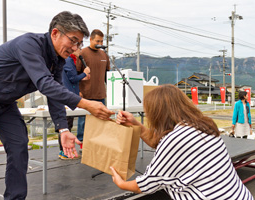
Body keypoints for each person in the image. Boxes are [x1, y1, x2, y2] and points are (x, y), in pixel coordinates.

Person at [0, 11, 114, 200]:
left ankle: (15, 198)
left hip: (4, 103)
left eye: (79, 43)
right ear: (55, 33)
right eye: (73, 40)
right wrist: (86, 104)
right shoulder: (29, 44)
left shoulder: (58, 60)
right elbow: (44, 83)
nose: (75, 47)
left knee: (19, 146)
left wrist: (63, 129)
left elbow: (54, 92)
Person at [110, 84, 253, 200]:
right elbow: (158, 142)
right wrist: (136, 124)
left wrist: (121, 183)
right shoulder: (202, 125)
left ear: (159, 113)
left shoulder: (175, 139)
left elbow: (147, 184)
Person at [76, 29, 110, 149]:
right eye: (97, 41)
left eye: (101, 41)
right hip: (85, 93)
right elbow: (76, 73)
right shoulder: (82, 53)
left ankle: (98, 143)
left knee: (102, 120)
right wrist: (77, 91)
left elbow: (107, 74)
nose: (99, 43)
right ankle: (81, 143)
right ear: (90, 39)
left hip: (100, 93)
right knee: (83, 121)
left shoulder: (104, 55)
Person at [59, 48, 90, 159]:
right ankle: (63, 152)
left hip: (71, 95)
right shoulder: (68, 60)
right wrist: (84, 74)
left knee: (69, 123)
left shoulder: (71, 60)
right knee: (66, 124)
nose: (80, 51)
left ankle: (65, 151)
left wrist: (82, 80)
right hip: (67, 97)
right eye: (79, 48)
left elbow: (70, 78)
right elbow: (72, 78)